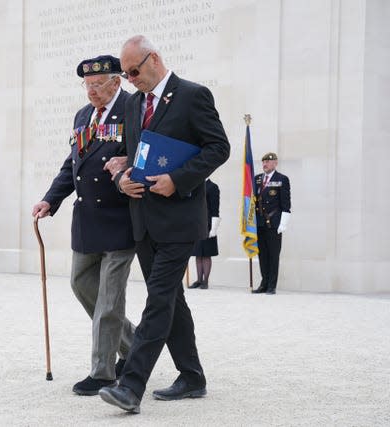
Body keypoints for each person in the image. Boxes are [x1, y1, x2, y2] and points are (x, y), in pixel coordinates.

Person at [99, 35, 230, 414]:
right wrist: (120, 178)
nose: (131, 79)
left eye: (134, 71)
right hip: (144, 221)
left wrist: (180, 179)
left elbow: (218, 147)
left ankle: (131, 386)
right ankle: (192, 376)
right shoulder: (135, 104)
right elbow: (131, 156)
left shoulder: (192, 95)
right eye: (125, 74)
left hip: (180, 219)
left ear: (153, 58)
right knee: (173, 300)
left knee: (158, 300)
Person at [32, 55, 137, 396]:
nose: (92, 91)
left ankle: (103, 373)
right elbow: (71, 165)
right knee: (81, 285)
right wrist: (52, 198)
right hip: (87, 221)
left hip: (121, 220)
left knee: (109, 301)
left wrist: (130, 165)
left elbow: (146, 152)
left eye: (98, 84)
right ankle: (136, 347)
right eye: (88, 85)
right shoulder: (82, 116)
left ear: (116, 82)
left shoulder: (133, 109)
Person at [252, 152, 291, 295]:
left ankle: (272, 285)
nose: (264, 165)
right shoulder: (257, 179)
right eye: (263, 162)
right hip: (260, 222)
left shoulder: (282, 179)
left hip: (274, 223)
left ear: (275, 163)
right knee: (262, 255)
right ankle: (264, 283)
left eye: (267, 162)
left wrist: (283, 224)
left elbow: (286, 204)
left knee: (274, 255)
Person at [188, 179, 220, 290]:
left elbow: (215, 208)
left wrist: (214, 228)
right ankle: (199, 280)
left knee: (206, 253)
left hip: (208, 224)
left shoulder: (213, 187)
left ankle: (205, 280)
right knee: (198, 253)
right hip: (196, 224)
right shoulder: (194, 184)